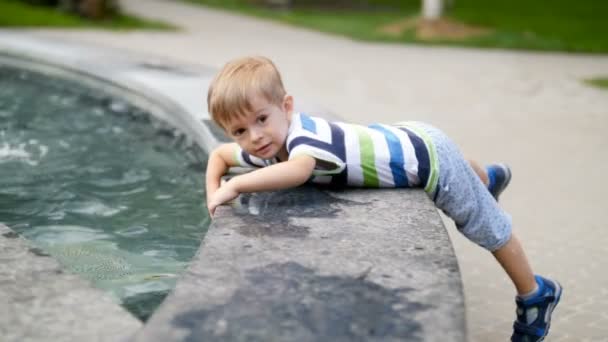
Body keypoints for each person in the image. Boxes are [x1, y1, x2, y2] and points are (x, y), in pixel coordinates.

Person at [204, 56, 562, 342]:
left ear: (287, 105)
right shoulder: (270, 141)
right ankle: (485, 178)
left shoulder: (302, 140)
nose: (254, 137)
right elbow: (218, 157)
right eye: (240, 131)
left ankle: (535, 293)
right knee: (462, 171)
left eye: (261, 119)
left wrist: (235, 187)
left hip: (428, 161)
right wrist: (213, 199)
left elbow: (299, 170)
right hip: (411, 135)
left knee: (488, 228)